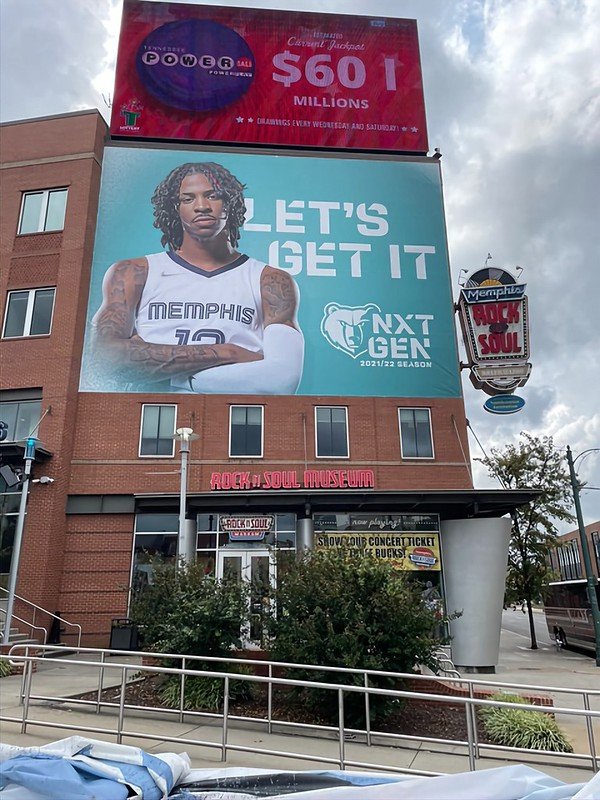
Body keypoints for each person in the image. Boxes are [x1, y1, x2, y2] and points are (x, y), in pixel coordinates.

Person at [91, 161, 304, 394]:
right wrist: (228, 353)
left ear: (230, 203)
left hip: (230, 419)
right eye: (188, 199)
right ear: (175, 207)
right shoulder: (133, 272)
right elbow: (106, 360)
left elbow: (281, 380)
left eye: (213, 195)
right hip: (147, 418)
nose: (202, 206)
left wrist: (166, 376)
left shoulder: (270, 280)